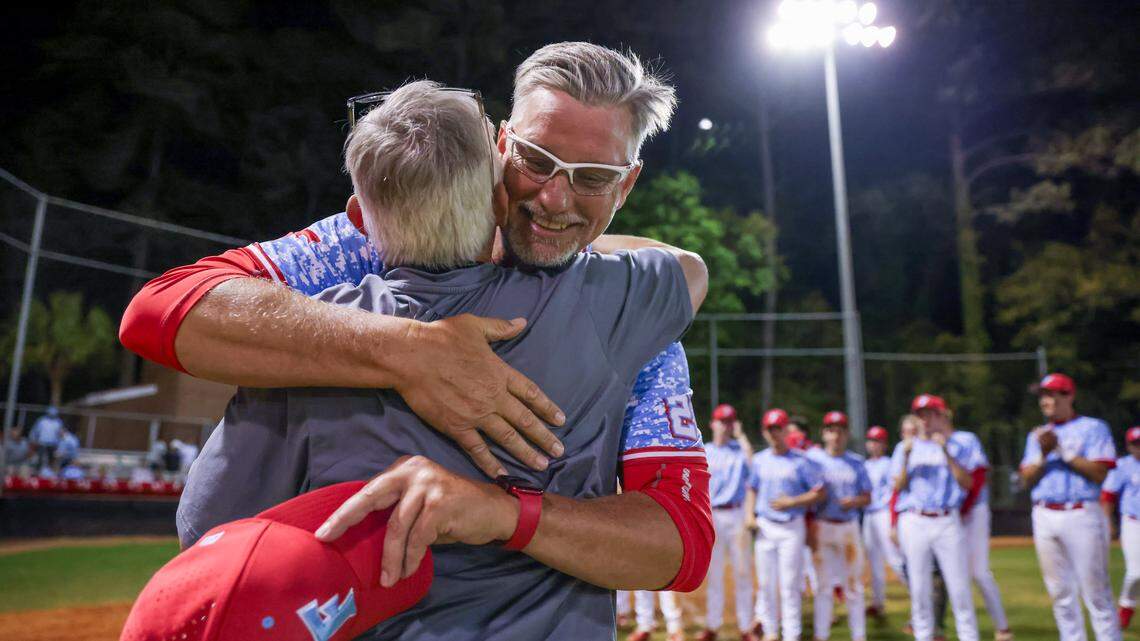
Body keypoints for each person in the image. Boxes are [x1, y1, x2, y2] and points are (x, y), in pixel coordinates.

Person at [179, 75, 712, 641]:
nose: (555, 198)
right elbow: (690, 270)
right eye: (536, 160)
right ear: (501, 177)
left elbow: (205, 529)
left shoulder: (301, 334)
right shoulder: (611, 308)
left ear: (360, 215)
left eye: (592, 177)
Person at [1020, 373, 1119, 641]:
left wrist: (1061, 451)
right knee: (1060, 594)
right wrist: (1043, 454)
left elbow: (1100, 472)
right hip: (1044, 513)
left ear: (1069, 396)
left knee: (1096, 592)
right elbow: (1026, 478)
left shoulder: (1093, 428)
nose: (1045, 400)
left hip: (1081, 512)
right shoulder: (1038, 435)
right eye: (1042, 395)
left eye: (1051, 394)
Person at [891, 394, 979, 641]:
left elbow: (968, 483)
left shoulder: (957, 444)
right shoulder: (905, 447)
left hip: (946, 518)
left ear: (942, 415)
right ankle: (924, 636)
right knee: (919, 589)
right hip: (915, 519)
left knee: (959, 587)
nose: (925, 419)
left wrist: (946, 452)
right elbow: (897, 487)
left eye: (930, 413)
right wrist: (907, 457)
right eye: (920, 414)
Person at [745, 408, 827, 641]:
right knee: (766, 584)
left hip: (791, 526)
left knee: (790, 585)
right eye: (769, 429)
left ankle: (792, 634)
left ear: (786, 430)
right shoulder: (760, 460)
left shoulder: (800, 460)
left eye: (777, 428)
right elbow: (752, 488)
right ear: (764, 432)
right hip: (765, 527)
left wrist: (793, 501)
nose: (774, 433)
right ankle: (771, 631)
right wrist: (749, 515)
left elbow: (820, 492)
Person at [699, 404, 758, 641]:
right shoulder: (705, 450)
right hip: (712, 515)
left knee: (742, 572)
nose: (724, 426)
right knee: (714, 574)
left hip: (736, 515)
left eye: (729, 422)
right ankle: (713, 625)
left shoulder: (739, 450)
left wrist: (741, 435)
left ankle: (746, 627)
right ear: (713, 423)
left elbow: (754, 465)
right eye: (721, 421)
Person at [811, 411, 871, 641]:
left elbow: (868, 496)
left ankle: (859, 636)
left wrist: (854, 501)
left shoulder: (856, 462)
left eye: (840, 430)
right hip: (823, 525)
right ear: (824, 434)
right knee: (823, 586)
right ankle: (821, 634)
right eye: (831, 430)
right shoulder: (814, 460)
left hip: (848, 527)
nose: (835, 435)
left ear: (846, 434)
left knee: (854, 586)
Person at [861, 425, 903, 619]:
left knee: (894, 558)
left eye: (877, 441)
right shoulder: (865, 464)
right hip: (869, 516)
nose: (873, 444)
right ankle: (878, 602)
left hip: (884, 513)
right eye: (871, 440)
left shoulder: (889, 463)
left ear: (884, 444)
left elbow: (896, 490)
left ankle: (923, 596)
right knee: (873, 561)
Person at [1101, 426, 1140, 630]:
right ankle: (1126, 607)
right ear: (1128, 445)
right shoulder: (1122, 466)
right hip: (1133, 522)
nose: (1139, 448)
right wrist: (1108, 522)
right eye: (1135, 443)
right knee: (1136, 573)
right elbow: (1108, 495)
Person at [28, 406, 64, 472]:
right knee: (40, 459)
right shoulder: (42, 420)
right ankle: (38, 472)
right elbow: (35, 431)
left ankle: (49, 473)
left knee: (51, 460)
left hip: (53, 444)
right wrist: (33, 440)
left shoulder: (58, 422)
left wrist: (60, 444)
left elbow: (60, 434)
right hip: (42, 443)